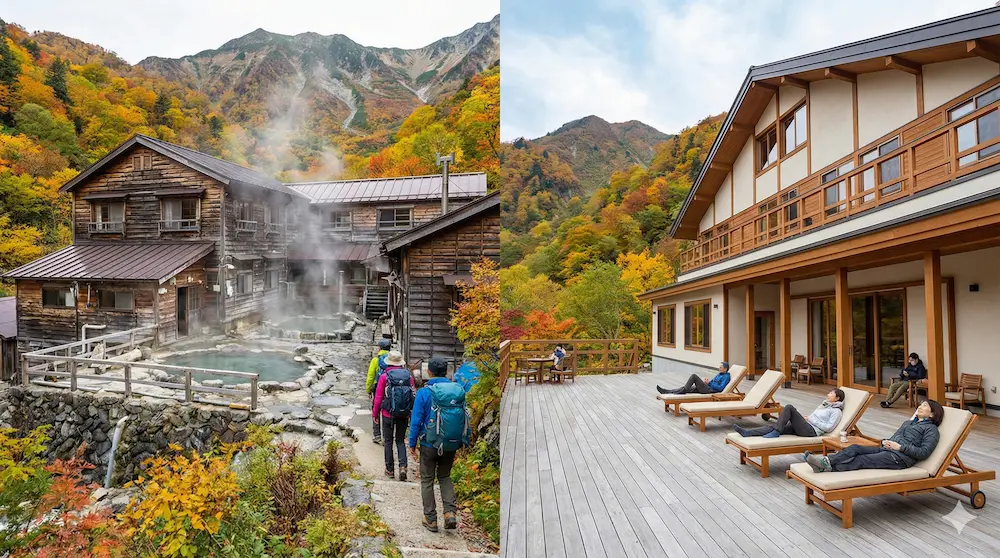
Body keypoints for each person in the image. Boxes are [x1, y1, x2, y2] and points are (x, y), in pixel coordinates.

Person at [409, 356, 470, 533]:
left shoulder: (424, 392)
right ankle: (450, 514)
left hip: (429, 443)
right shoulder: (457, 390)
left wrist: (412, 443)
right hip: (450, 443)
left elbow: (416, 420)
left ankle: (431, 519)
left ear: (429, 372)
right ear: (447, 372)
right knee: (445, 477)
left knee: (427, 480)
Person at [804, 400, 943, 473]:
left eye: (924, 406)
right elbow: (895, 437)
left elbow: (924, 453)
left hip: (900, 458)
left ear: (932, 414)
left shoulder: (931, 430)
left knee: (862, 460)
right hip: (887, 450)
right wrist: (885, 441)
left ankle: (826, 468)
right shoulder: (908, 422)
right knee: (855, 448)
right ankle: (826, 461)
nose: (920, 406)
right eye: (921, 404)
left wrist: (900, 447)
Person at [373, 350, 415, 481]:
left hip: (387, 414)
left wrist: (375, 413)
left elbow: (378, 397)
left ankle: (390, 470)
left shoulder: (384, 376)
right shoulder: (409, 376)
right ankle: (403, 467)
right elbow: (413, 394)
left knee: (388, 441)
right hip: (404, 414)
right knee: (400, 440)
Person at [734, 389, 845, 438]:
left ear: (837, 398)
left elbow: (829, 428)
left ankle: (777, 431)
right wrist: (808, 418)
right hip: (807, 425)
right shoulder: (825, 405)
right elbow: (814, 417)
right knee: (774, 425)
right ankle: (748, 433)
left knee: (789, 408)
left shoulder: (836, 412)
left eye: (831, 393)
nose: (828, 394)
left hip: (811, 431)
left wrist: (810, 419)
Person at [366, 339, 392, 444]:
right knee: (388, 410)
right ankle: (388, 435)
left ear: (379, 348)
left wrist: (368, 389)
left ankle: (377, 435)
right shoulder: (394, 359)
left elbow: (370, 376)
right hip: (390, 389)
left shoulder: (376, 360)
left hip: (378, 388)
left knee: (375, 409)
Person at [656, 362, 730, 395]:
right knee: (687, 388)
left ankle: (682, 390)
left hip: (710, 391)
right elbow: (713, 382)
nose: (719, 368)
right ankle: (667, 391)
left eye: (721, 367)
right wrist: (707, 382)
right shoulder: (720, 374)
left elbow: (721, 388)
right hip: (707, 387)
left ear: (725, 369)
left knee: (694, 376)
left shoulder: (726, 377)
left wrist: (709, 383)